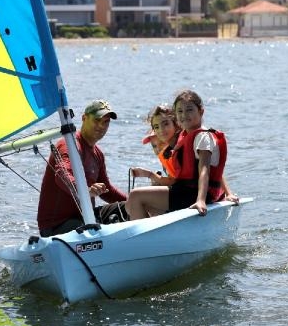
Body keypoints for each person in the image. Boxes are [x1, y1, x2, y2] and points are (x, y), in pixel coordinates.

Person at [125, 90, 236, 220]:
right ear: (176, 115)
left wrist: (201, 200)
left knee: (135, 196)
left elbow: (205, 169)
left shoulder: (202, 137)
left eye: (189, 110)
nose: (184, 115)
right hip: (187, 192)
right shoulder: (186, 136)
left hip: (194, 194)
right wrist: (228, 193)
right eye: (180, 111)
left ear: (201, 112)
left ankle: (144, 234)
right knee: (134, 205)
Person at [37, 99, 127, 236]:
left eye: (106, 122)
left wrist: (134, 200)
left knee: (128, 207)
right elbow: (62, 174)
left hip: (85, 217)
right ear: (84, 118)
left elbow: (107, 191)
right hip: (57, 226)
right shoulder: (68, 145)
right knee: (96, 229)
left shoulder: (98, 154)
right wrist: (86, 191)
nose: (101, 126)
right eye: (97, 120)